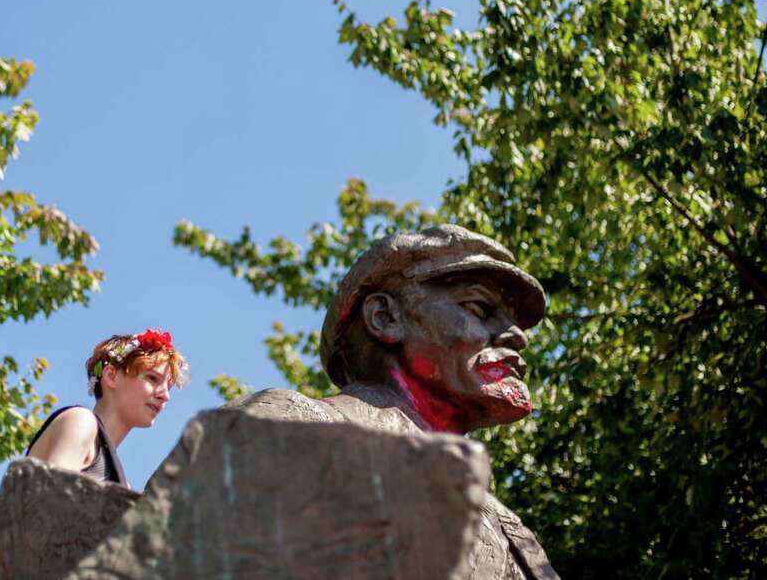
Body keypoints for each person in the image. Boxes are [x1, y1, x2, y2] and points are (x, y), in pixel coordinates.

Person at [229, 225, 560, 580]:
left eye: (514, 321)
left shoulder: (511, 535)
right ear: (385, 318)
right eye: (479, 308)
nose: (517, 336)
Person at [26, 328, 188, 489]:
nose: (165, 395)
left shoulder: (124, 486)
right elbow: (50, 501)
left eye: (169, 387)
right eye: (152, 378)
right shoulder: (80, 421)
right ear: (111, 376)